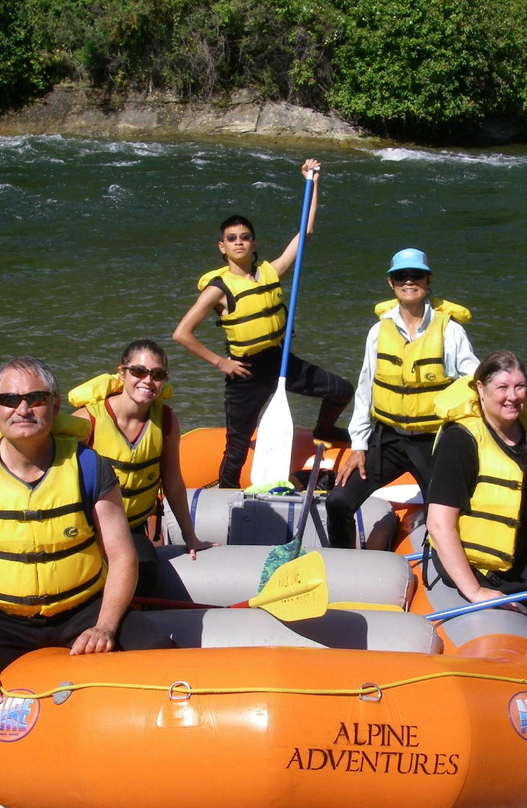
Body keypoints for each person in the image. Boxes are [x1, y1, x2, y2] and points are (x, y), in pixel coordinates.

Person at [0, 356, 138, 808]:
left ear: (54, 406)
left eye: (35, 398)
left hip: (83, 611)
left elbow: (123, 554)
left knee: (160, 657)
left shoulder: (90, 467)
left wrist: (106, 627)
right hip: (3, 620)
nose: (23, 408)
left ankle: (141, 768)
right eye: (10, 399)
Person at [172, 158, 354, 489]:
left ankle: (324, 430)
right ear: (222, 246)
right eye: (232, 238)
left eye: (245, 237)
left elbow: (306, 231)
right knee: (237, 447)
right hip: (245, 374)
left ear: (254, 243)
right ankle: (226, 494)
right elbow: (182, 334)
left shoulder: (270, 271)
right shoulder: (218, 289)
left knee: (342, 389)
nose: (239, 242)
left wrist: (311, 183)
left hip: (280, 361)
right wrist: (220, 362)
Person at [325, 248, 479, 549]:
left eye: (416, 275)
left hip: (433, 441)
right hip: (387, 441)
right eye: (400, 276)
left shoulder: (451, 332)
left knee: (450, 516)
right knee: (338, 501)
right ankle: (341, 562)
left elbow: (476, 383)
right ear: (391, 283)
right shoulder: (377, 331)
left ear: (428, 280)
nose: (409, 281)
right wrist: (358, 445)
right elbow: (366, 387)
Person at [425, 352, 527, 651]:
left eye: (520, 386)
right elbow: (439, 523)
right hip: (483, 568)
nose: (513, 397)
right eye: (502, 387)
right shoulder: (460, 440)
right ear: (480, 388)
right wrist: (476, 591)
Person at [69, 338, 217, 594]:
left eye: (157, 375)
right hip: (86, 528)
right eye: (138, 371)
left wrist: (189, 536)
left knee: (145, 570)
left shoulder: (166, 421)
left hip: (131, 529)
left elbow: (172, 482)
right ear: (122, 372)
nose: (148, 380)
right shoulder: (87, 421)